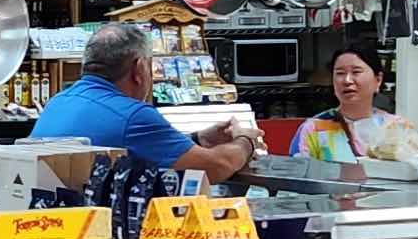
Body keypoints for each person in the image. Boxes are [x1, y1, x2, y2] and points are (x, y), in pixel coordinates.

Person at [26, 18, 251, 181]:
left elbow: (130, 142)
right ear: (140, 67)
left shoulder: (58, 102)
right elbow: (217, 166)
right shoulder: (133, 116)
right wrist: (245, 141)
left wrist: (197, 139)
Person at [295, 43, 418, 165]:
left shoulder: (398, 127)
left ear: (378, 80)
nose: (347, 80)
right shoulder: (313, 129)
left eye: (356, 72)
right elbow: (297, 177)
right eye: (340, 73)